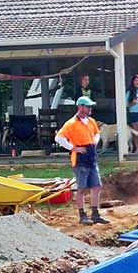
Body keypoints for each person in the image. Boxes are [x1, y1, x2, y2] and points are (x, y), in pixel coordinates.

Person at [55, 96, 110, 225]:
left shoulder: (91, 121)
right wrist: (73, 148)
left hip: (91, 157)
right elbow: (59, 137)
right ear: (80, 107)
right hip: (80, 159)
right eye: (88, 106)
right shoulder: (71, 123)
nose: (90, 109)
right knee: (82, 188)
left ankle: (95, 214)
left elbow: (96, 133)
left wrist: (94, 142)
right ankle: (82, 215)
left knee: (96, 186)